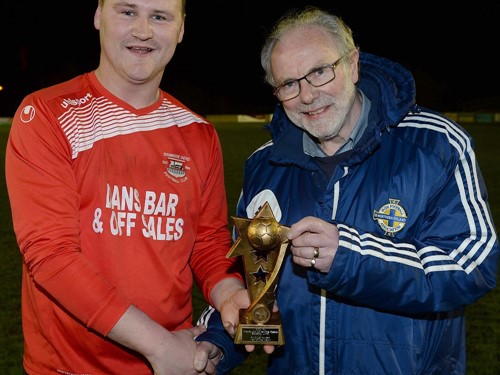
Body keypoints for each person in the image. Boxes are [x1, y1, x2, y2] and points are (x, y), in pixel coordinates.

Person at [210, 5, 500, 374]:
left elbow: (472, 265)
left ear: (353, 63)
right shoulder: (264, 165)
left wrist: (350, 256)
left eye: (319, 72)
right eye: (289, 83)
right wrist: (219, 341)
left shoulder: (436, 145)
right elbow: (248, 278)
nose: (308, 95)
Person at [5, 0, 248, 374]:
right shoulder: (47, 114)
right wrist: (160, 346)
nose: (143, 30)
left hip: (174, 358)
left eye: (160, 16)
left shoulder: (199, 134)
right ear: (99, 15)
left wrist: (230, 294)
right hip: (69, 368)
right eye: (128, 11)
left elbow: (209, 243)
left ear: (181, 30)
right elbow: (51, 255)